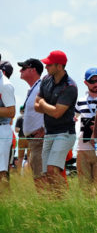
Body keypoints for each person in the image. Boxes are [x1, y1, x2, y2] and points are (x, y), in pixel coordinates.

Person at [34, 50, 78, 193]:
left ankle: (63, 202)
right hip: (49, 133)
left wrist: (43, 103)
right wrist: (46, 106)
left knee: (53, 170)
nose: (45, 67)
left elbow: (57, 113)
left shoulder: (70, 86)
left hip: (65, 134)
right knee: (47, 173)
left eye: (49, 64)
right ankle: (57, 203)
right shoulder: (46, 80)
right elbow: (36, 106)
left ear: (59, 66)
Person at [18, 58, 45, 189]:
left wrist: (45, 129)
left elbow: (49, 107)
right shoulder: (34, 88)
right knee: (38, 179)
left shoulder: (41, 87)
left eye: (23, 68)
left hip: (39, 141)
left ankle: (48, 206)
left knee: (41, 180)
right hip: (33, 141)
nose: (20, 70)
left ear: (32, 69)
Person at [75, 68, 97, 190]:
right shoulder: (80, 101)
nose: (96, 84)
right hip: (83, 145)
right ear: (86, 83)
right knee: (84, 184)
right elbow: (73, 116)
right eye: (92, 81)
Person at [0, 61, 16, 190]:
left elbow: (11, 112)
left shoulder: (5, 85)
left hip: (2, 130)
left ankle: (7, 205)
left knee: (1, 172)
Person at [14, 106, 30, 173]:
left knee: (20, 158)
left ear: (21, 111)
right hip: (30, 139)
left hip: (21, 138)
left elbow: (16, 130)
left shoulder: (19, 118)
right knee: (29, 158)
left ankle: (19, 173)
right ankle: (28, 173)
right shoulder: (30, 118)